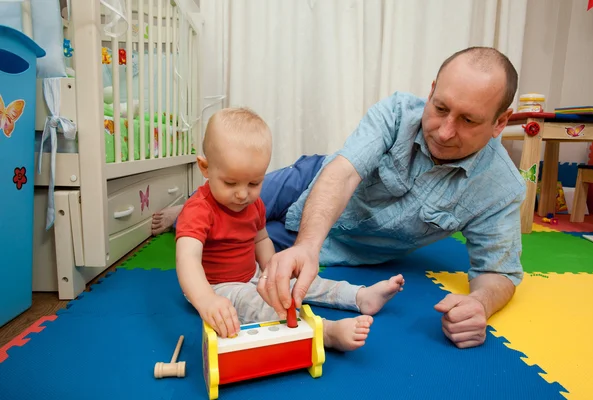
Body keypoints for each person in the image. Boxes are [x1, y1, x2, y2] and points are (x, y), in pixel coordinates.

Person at [157, 46, 525, 349]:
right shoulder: (397, 112)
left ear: (499, 123)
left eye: (468, 121)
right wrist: (306, 246)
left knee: (246, 219)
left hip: (339, 240)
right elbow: (343, 171)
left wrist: (479, 304)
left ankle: (354, 296)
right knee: (229, 200)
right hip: (308, 185)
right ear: (430, 91)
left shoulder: (501, 188)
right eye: (441, 108)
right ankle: (188, 208)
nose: (445, 131)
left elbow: (499, 271)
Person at [175, 107, 405, 352]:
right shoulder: (198, 210)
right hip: (216, 286)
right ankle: (324, 332)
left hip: (252, 273)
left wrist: (272, 270)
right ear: (205, 168)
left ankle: (359, 297)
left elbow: (260, 238)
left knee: (304, 281)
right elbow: (187, 259)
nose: (243, 194)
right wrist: (207, 300)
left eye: (254, 183)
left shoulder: (253, 204)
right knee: (259, 305)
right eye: (230, 183)